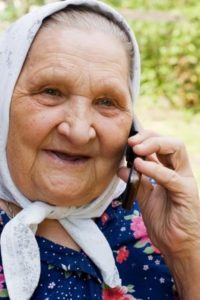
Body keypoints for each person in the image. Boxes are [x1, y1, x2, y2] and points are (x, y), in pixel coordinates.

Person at [0, 0, 199, 299]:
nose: (79, 131)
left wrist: (186, 254)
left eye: (107, 102)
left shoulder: (155, 219)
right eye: (51, 92)